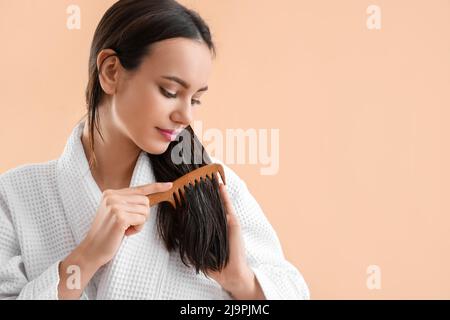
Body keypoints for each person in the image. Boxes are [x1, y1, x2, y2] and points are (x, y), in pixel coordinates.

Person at [0, 0, 309, 300]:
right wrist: (86, 257)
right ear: (111, 72)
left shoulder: (212, 189)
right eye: (170, 91)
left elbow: (294, 291)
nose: (186, 116)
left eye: (195, 99)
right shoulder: (15, 195)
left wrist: (240, 281)